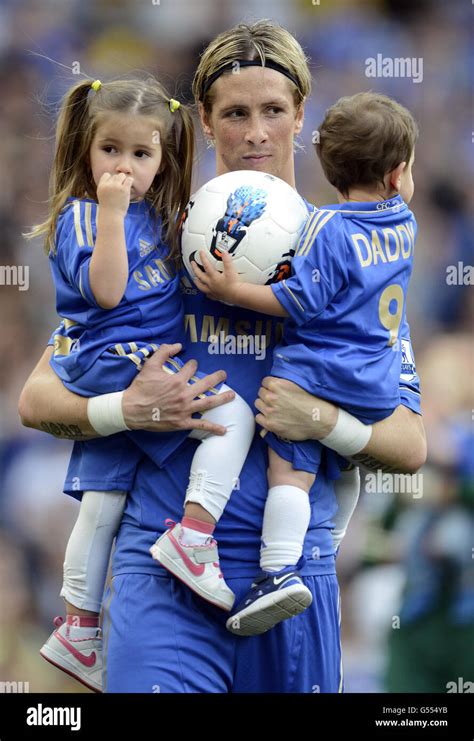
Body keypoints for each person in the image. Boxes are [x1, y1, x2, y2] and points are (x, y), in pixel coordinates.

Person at [19, 20, 426, 693]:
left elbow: (410, 444)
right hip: (163, 579)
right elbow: (38, 400)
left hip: (292, 581)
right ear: (205, 121)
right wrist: (130, 407)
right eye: (236, 113)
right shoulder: (153, 245)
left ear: (302, 116)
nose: (256, 132)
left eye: (273, 111)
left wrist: (322, 420)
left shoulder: (351, 256)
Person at [25, 76, 255, 691]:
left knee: (103, 504)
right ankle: (193, 534)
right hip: (112, 359)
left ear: (164, 158)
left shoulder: (158, 217)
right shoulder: (84, 215)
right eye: (110, 150)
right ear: (86, 151)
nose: (123, 167)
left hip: (137, 361)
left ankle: (77, 628)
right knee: (231, 414)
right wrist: (111, 214)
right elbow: (105, 291)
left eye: (141, 154)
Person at [193, 91, 418, 636]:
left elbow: (300, 301)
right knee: (340, 465)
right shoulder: (405, 223)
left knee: (289, 471)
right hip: (376, 380)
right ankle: (331, 541)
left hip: (321, 373)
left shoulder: (326, 230)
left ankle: (277, 569)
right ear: (396, 177)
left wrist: (236, 292)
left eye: (274, 112)